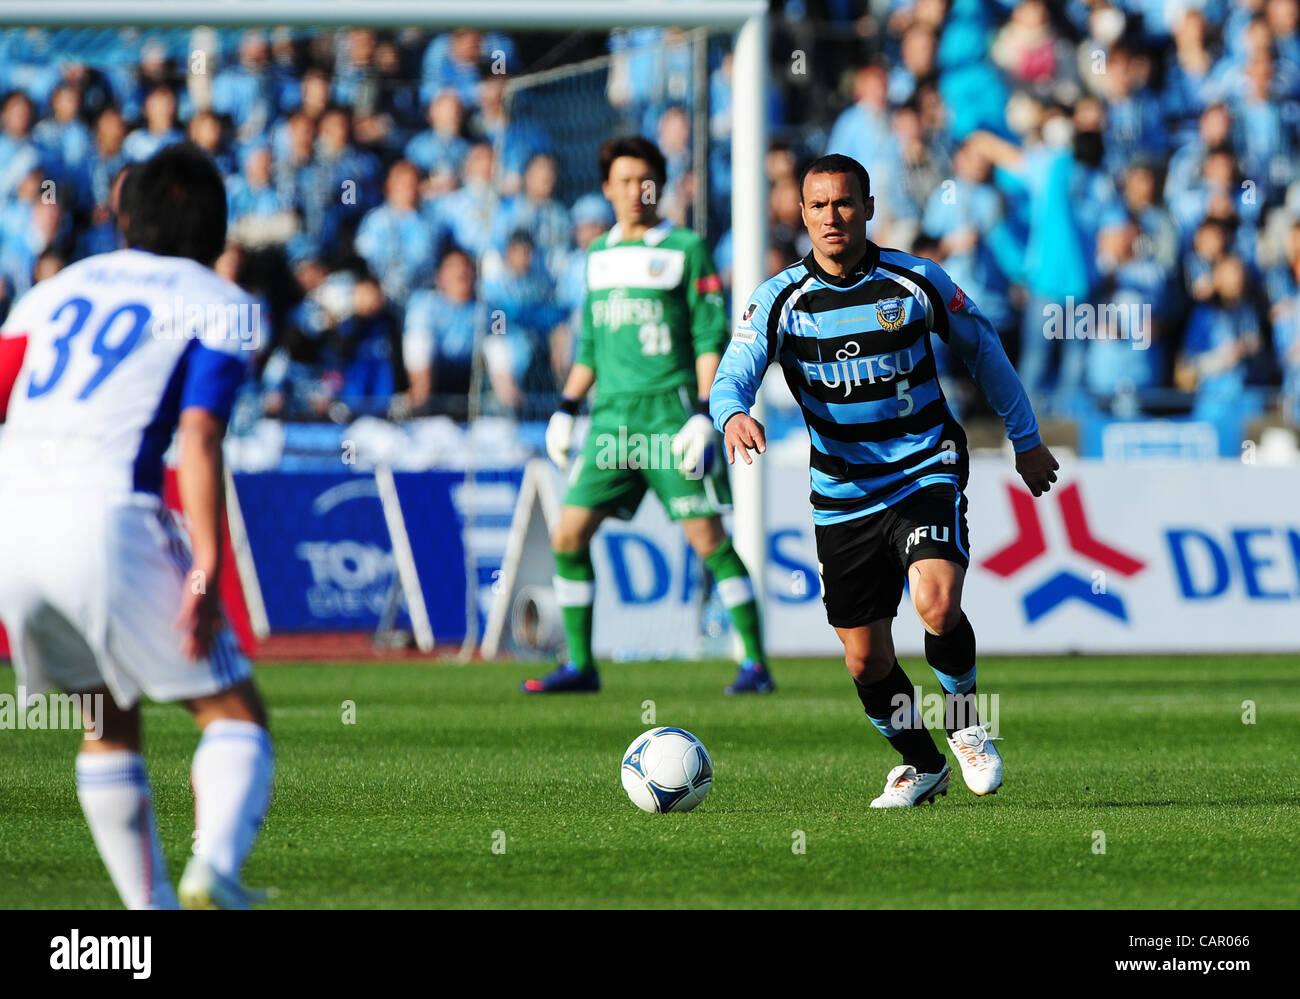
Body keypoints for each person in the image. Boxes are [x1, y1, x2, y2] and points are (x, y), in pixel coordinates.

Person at [711, 154, 1060, 806]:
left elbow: (982, 347)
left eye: (844, 203)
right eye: (818, 206)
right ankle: (922, 763)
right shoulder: (781, 299)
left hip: (924, 467)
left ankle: (965, 725)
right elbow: (736, 368)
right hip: (844, 493)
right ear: (802, 213)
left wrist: (1027, 439)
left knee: (936, 602)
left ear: (869, 207)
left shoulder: (915, 281)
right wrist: (731, 412)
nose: (832, 217)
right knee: (865, 661)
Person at [0, 143, 274, 906]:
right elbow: (201, 434)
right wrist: (208, 563)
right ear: (218, 231)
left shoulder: (51, 291)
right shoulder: (222, 302)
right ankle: (214, 864)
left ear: (124, 218)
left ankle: (144, 916)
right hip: (107, 514)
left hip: (12, 517)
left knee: (104, 713)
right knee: (234, 714)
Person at [524, 136, 771, 695]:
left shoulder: (686, 248)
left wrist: (707, 413)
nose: (636, 190)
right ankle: (582, 665)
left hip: (671, 416)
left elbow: (710, 334)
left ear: (659, 185)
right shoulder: (596, 257)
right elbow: (589, 344)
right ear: (607, 188)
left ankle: (755, 663)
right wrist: (566, 407)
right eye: (624, 180)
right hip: (610, 422)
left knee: (707, 541)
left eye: (646, 180)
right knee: (567, 536)